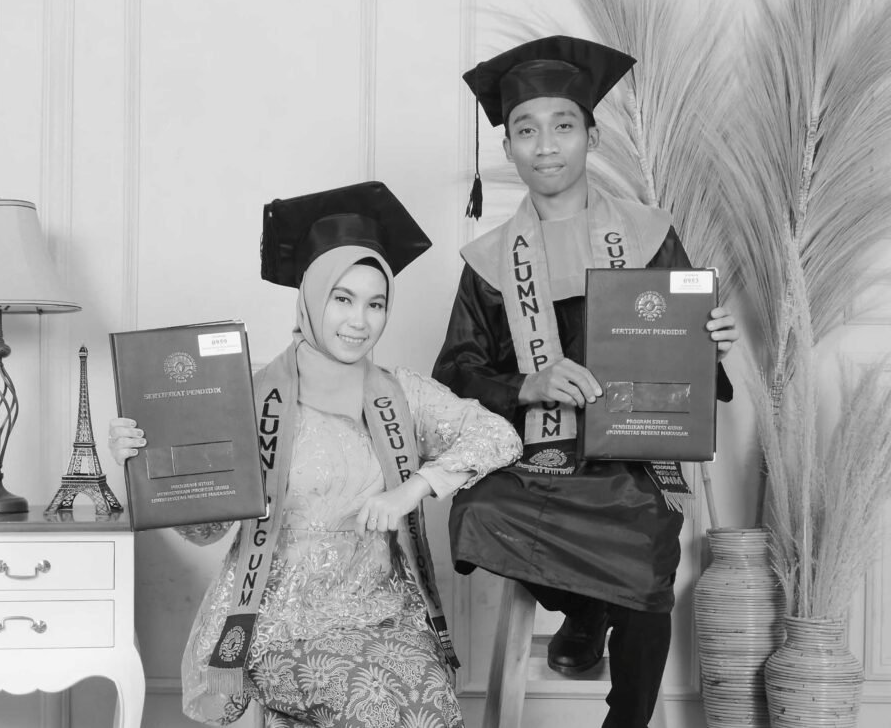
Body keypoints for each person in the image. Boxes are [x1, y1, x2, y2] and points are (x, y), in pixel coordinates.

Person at [109, 181, 522, 728]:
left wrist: (415, 487)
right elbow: (206, 530)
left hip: (384, 615)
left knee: (435, 709)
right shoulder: (248, 396)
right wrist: (146, 465)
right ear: (310, 298)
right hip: (280, 622)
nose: (359, 321)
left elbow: (500, 436)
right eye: (342, 299)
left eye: (375, 304)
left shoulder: (403, 393)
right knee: (381, 710)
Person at [431, 36, 740, 728]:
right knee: (478, 514)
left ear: (591, 136)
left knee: (643, 551)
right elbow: (453, 373)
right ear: (507, 148)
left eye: (563, 125)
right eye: (526, 130)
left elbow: (691, 364)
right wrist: (528, 384)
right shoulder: (489, 260)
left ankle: (623, 717)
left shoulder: (649, 234)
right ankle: (585, 606)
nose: (546, 146)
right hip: (534, 459)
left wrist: (712, 344)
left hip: (631, 457)